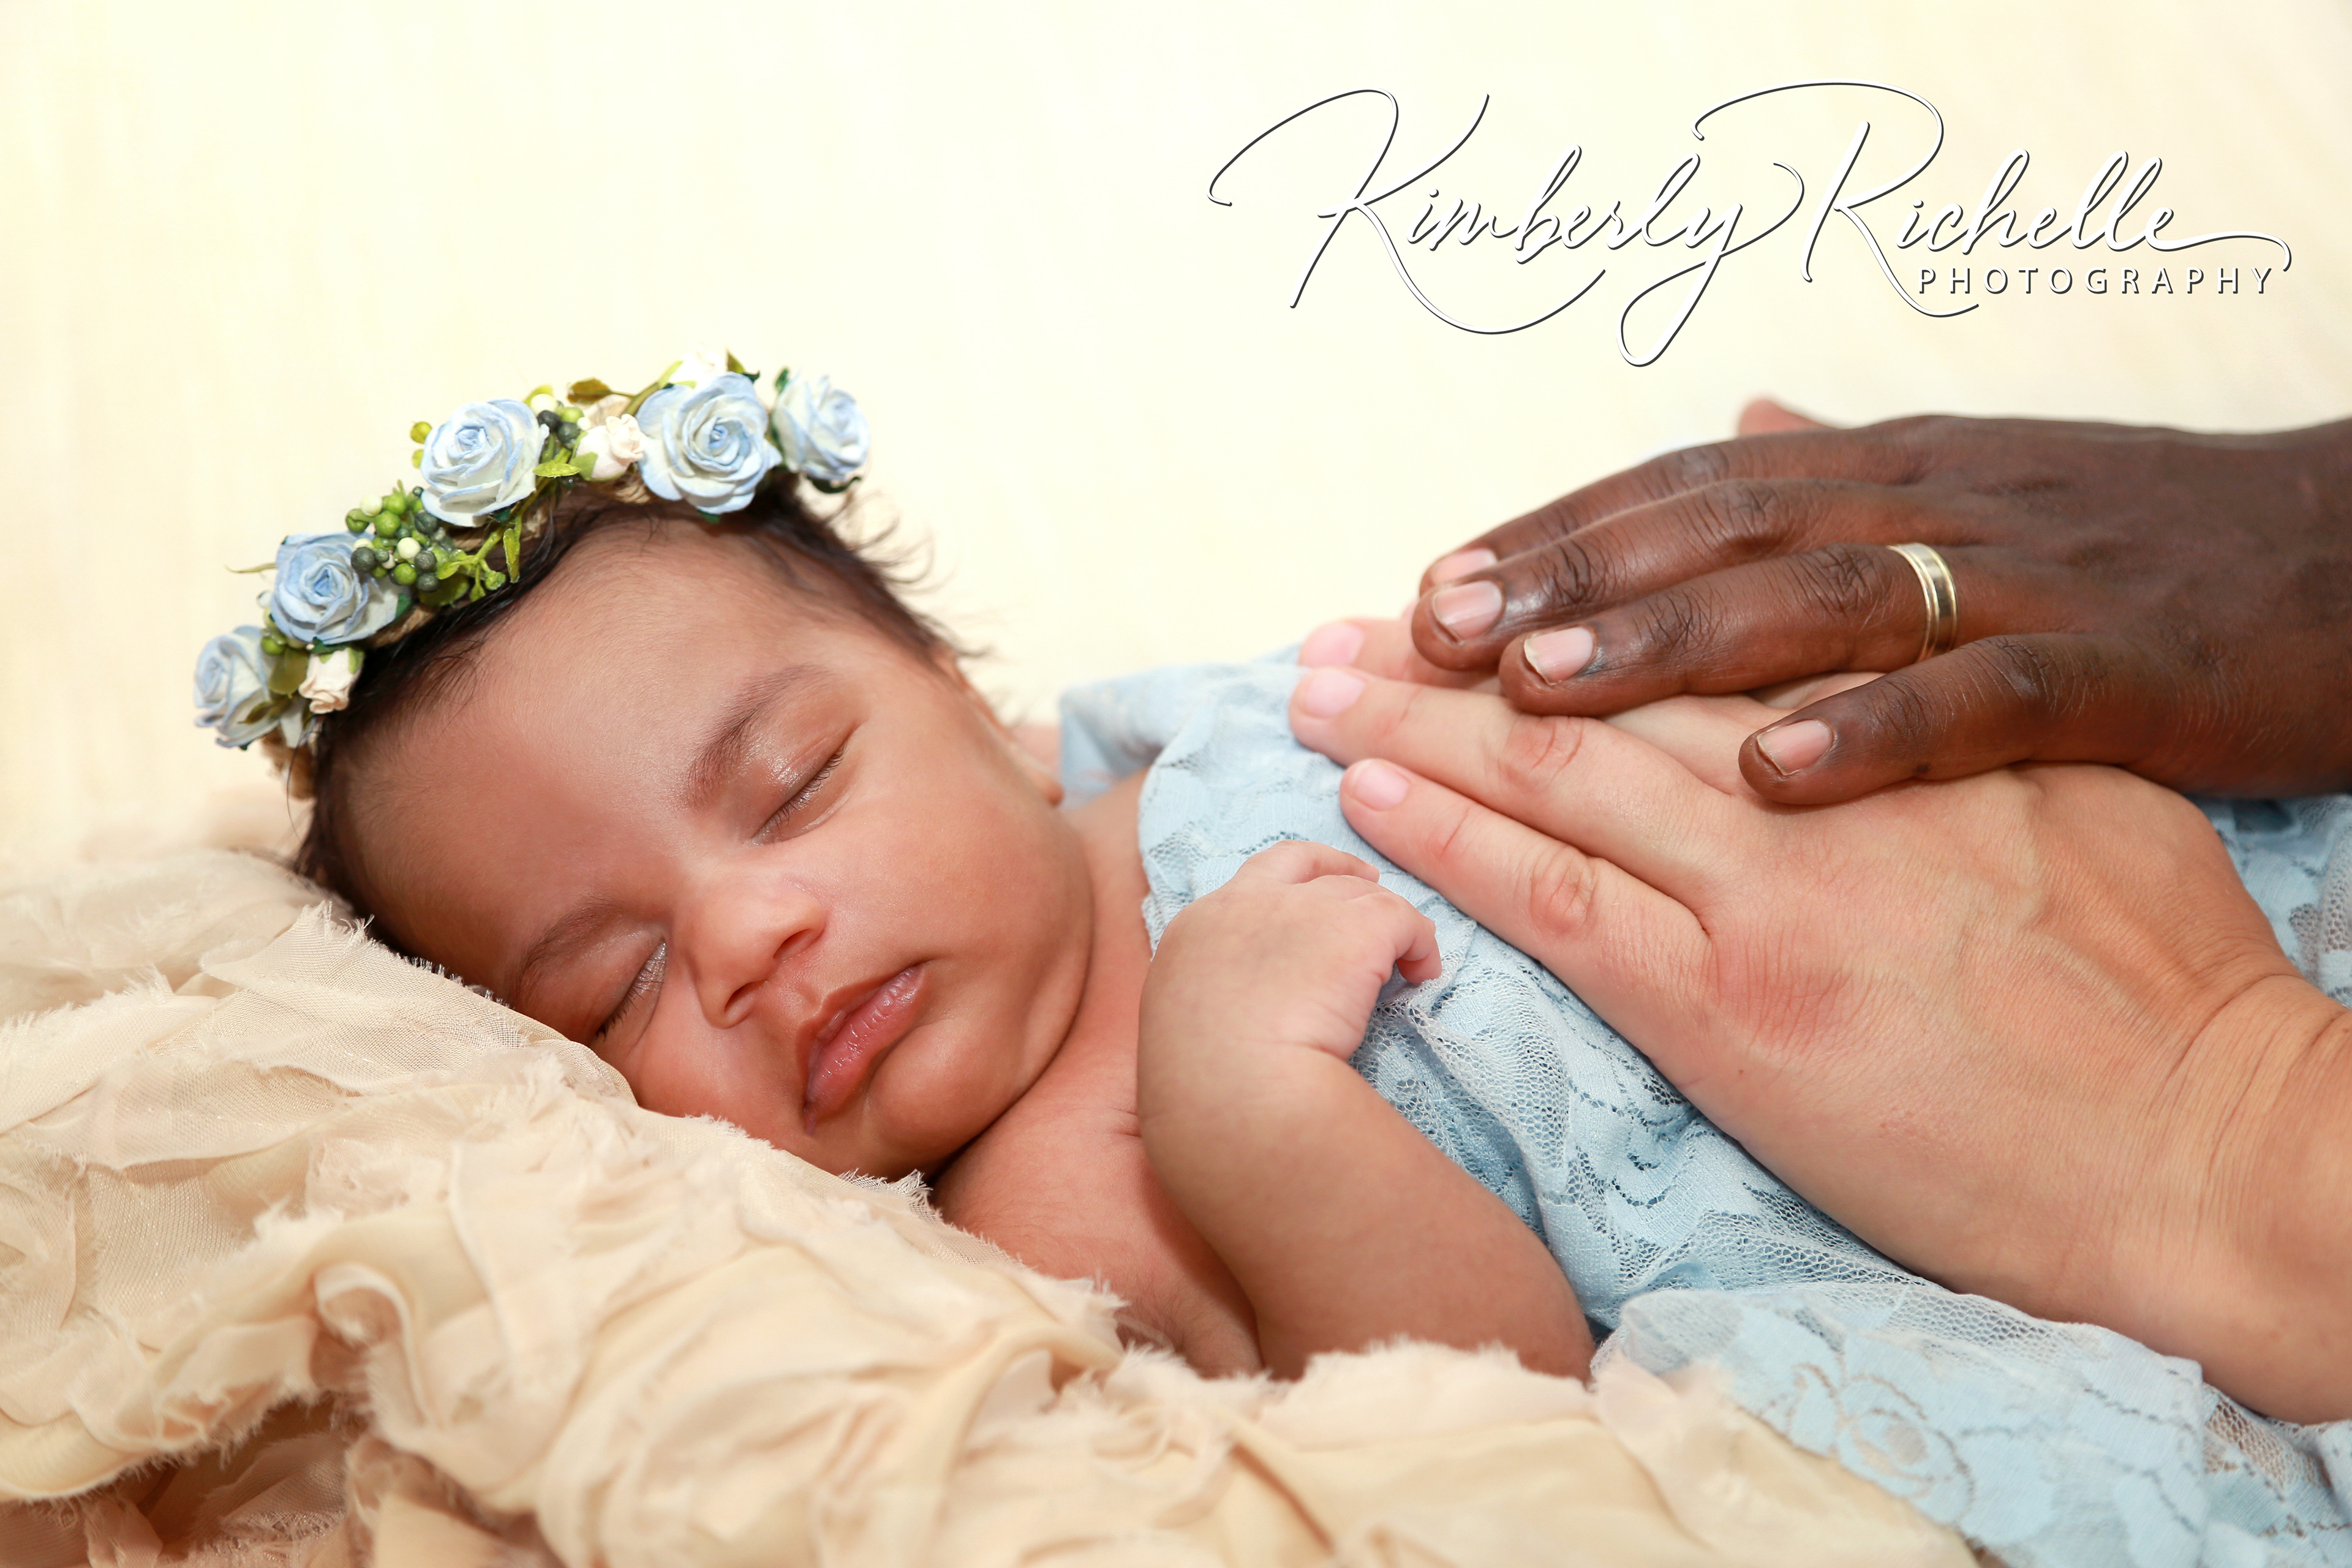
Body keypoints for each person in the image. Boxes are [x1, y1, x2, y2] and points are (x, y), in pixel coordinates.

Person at [195, 363, 2350, 1562]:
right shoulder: (1055, 1199)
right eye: (611, 991)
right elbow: (1488, 1418)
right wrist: (1251, 1116)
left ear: (978, 708)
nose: (752, 938)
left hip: (2082, 902)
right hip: (1989, 1228)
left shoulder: (1211, 731)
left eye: (792, 784)